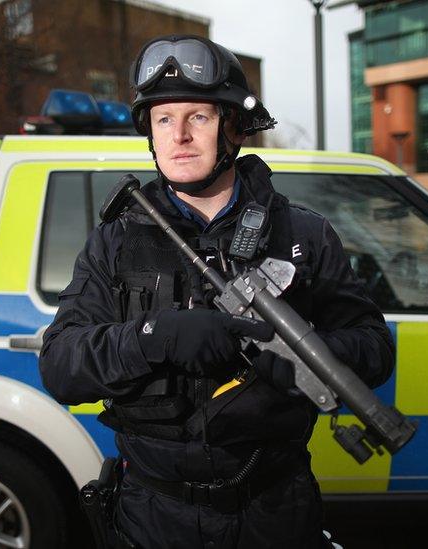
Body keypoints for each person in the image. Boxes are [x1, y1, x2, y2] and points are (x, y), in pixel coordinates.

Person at [39, 34, 394, 549]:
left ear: (234, 128)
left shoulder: (303, 235)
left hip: (275, 509)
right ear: (150, 133)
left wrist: (307, 357)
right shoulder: (114, 242)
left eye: (198, 117)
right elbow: (61, 368)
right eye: (164, 119)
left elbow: (376, 348)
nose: (179, 135)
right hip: (152, 515)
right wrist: (151, 336)